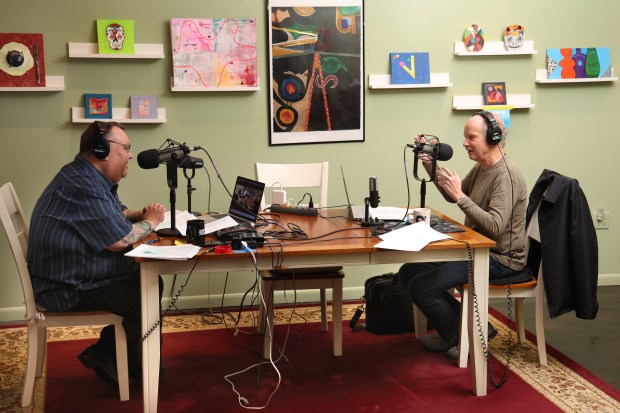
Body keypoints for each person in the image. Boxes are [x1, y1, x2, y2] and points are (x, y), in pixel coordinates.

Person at [27, 121, 166, 385]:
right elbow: (119, 240)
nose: (131, 155)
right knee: (145, 286)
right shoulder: (82, 185)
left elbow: (113, 212)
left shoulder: (85, 176)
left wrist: (137, 215)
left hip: (64, 272)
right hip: (64, 287)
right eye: (126, 148)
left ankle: (110, 354)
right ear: (102, 150)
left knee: (146, 279)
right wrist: (153, 221)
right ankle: (136, 368)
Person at [398, 111, 528, 360]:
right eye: (465, 137)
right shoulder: (483, 168)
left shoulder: (506, 175)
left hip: (499, 259)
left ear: (493, 137)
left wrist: (461, 197)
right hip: (474, 248)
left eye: (471, 137)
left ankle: (463, 335)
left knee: (422, 287)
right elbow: (452, 194)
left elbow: (494, 227)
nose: (464, 143)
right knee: (408, 272)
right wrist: (430, 163)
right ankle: (471, 328)